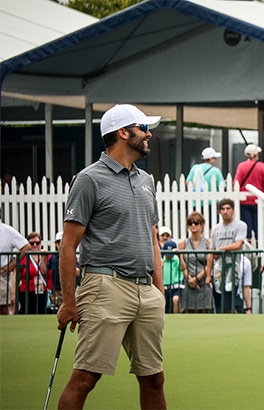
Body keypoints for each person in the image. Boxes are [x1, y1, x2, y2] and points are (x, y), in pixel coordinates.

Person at [56, 104, 166, 409]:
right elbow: (68, 245)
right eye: (143, 128)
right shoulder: (89, 179)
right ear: (123, 132)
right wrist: (69, 301)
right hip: (105, 286)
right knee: (86, 378)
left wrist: (159, 291)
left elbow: (152, 239)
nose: (149, 134)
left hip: (146, 291)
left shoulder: (146, 181)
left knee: (154, 379)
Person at [210, 198, 249, 313]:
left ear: (233, 210)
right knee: (219, 302)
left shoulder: (240, 225)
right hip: (218, 269)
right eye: (222, 209)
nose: (225, 211)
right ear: (219, 212)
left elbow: (238, 244)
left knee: (229, 300)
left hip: (233, 268)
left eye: (228, 208)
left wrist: (221, 249)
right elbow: (211, 251)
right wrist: (208, 274)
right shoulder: (216, 229)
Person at [234, 144, 264, 239]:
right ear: (255, 155)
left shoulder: (241, 166)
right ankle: (258, 244)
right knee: (258, 226)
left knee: (246, 225)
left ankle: (248, 244)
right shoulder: (262, 166)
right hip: (257, 200)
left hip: (244, 201)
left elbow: (236, 182)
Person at [179, 212, 214, 313]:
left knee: (205, 311)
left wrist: (197, 278)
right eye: (190, 223)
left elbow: (209, 264)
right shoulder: (183, 244)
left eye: (196, 222)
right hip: (188, 282)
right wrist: (190, 279)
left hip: (204, 282)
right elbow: (183, 266)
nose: (193, 225)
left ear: (202, 225)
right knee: (189, 311)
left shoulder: (208, 243)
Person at [17, 232, 52, 314]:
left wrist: (43, 258)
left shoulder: (48, 256)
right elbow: (17, 276)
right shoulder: (23, 258)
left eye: (38, 242)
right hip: (26, 292)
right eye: (32, 243)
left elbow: (45, 272)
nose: (35, 245)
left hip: (43, 291)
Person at [0, 217, 29, 315]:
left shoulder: (8, 231)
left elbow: (26, 247)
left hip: (2, 274)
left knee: (3, 309)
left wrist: (11, 265)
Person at [161, 240, 186, 314]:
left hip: (176, 286)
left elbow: (183, 268)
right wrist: (160, 266)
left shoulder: (176, 259)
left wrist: (179, 256)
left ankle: (176, 318)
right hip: (164, 287)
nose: (169, 256)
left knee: (176, 299)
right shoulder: (162, 260)